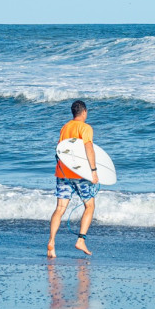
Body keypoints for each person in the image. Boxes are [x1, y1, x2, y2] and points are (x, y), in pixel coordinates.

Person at [48, 100, 98, 258]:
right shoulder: (85, 128)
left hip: (62, 172)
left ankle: (51, 243)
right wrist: (93, 171)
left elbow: (60, 149)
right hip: (79, 174)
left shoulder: (65, 127)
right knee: (89, 206)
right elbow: (88, 147)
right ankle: (81, 240)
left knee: (60, 209)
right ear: (84, 112)